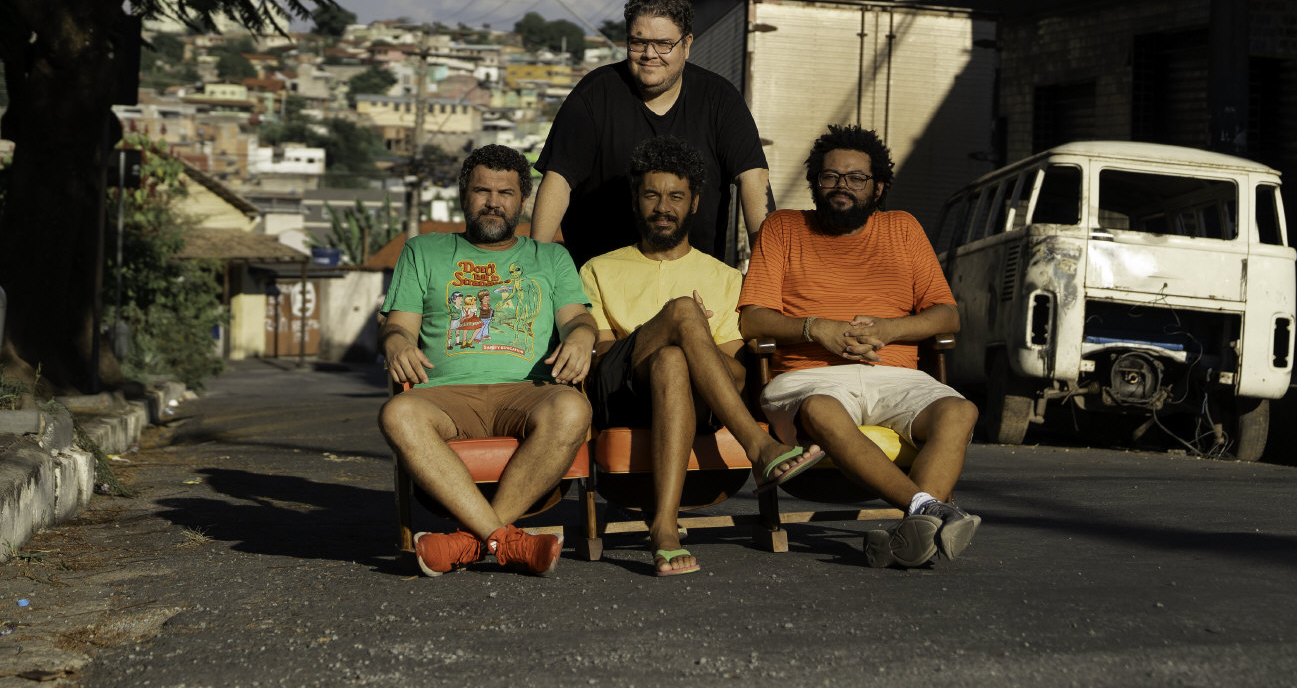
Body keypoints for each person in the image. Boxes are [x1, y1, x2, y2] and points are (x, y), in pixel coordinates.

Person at [737, 124, 981, 569]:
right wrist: (817, 329)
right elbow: (752, 318)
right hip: (811, 380)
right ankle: (930, 509)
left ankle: (907, 534)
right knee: (820, 409)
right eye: (830, 177)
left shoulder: (903, 229)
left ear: (878, 186)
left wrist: (889, 329)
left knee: (960, 410)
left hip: (895, 377)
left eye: (856, 178)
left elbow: (947, 316)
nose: (841, 187)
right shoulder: (784, 227)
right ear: (815, 182)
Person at [579, 136, 823, 577]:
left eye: (676, 196)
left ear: (694, 203)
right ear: (636, 199)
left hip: (697, 397)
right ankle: (758, 444)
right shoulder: (598, 267)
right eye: (652, 194)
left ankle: (665, 530)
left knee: (673, 360)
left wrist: (692, 344)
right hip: (622, 389)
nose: (662, 207)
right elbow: (601, 353)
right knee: (684, 311)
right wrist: (674, 324)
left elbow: (734, 371)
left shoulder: (725, 277)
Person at [378, 145, 598, 579]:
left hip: (527, 392)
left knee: (573, 407)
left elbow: (578, 317)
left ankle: (468, 542)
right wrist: (396, 344)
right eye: (482, 190)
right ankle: (505, 541)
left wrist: (582, 336)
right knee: (398, 413)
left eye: (506, 192)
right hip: (443, 395)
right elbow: (398, 326)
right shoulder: (424, 251)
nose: (494, 202)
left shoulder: (550, 257)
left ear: (522, 201)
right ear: (464, 196)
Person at [532, 0, 770, 268]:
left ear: (687, 44)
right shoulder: (595, 94)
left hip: (696, 283)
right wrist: (536, 266)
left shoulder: (720, 99)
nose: (649, 54)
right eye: (638, 42)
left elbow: (753, 180)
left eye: (663, 44)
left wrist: (766, 274)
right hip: (600, 283)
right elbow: (558, 181)